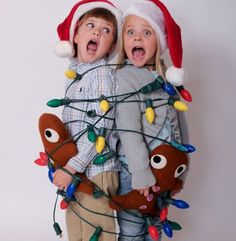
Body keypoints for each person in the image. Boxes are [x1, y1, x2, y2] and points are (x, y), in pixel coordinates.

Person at [115, 0, 189, 240]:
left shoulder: (167, 81)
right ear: (123, 41)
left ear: (159, 41)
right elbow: (129, 131)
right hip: (135, 174)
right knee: (133, 231)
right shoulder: (125, 79)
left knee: (155, 229)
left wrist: (181, 170)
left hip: (164, 173)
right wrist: (141, 173)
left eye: (146, 32)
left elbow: (181, 128)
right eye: (131, 32)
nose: (137, 38)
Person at [52, 1, 121, 241]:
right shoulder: (75, 74)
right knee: (77, 229)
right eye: (91, 25)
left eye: (106, 31)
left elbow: (101, 128)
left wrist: (71, 167)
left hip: (97, 171)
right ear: (76, 34)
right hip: (77, 169)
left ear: (111, 45)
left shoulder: (101, 74)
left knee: (98, 232)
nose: (97, 33)